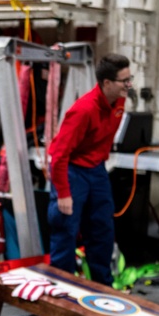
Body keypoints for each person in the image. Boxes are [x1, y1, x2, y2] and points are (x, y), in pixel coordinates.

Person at [46, 54, 132, 286]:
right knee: (66, 231)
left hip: (96, 170)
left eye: (129, 79)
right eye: (124, 81)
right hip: (71, 170)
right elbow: (59, 155)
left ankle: (102, 292)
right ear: (106, 83)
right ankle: (59, 294)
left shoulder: (119, 103)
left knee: (102, 230)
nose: (129, 85)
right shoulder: (83, 110)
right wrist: (63, 192)